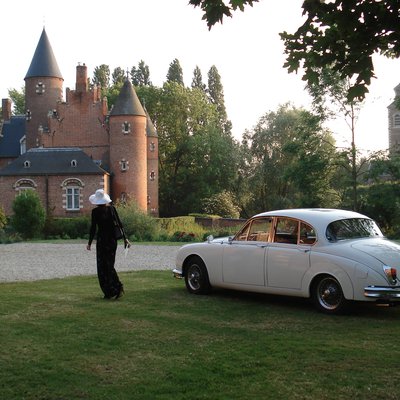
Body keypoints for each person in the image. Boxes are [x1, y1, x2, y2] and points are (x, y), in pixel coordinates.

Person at [86, 189, 130, 299]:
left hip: (102, 241)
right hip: (111, 241)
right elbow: (119, 224)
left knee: (102, 267)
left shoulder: (95, 212)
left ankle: (109, 291)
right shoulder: (112, 209)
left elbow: (93, 228)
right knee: (110, 265)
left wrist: (90, 243)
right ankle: (117, 287)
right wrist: (125, 238)